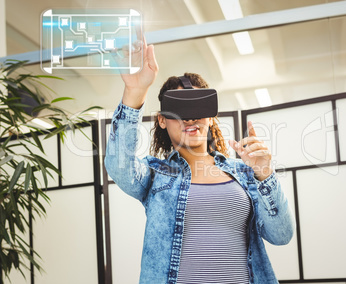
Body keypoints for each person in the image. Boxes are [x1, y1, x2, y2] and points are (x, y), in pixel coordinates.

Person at [104, 39, 295, 284]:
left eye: (198, 108)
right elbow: (119, 166)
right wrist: (135, 91)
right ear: (162, 120)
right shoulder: (155, 175)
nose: (190, 118)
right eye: (179, 110)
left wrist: (265, 174)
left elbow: (281, 235)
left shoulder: (245, 174)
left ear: (211, 118)